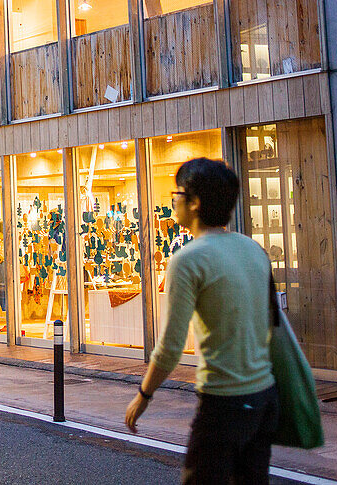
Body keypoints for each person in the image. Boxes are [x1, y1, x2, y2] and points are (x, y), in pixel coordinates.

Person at [125, 158, 277, 484]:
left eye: (177, 193)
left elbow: (170, 347)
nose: (173, 200)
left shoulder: (187, 259)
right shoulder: (253, 249)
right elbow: (269, 324)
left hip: (223, 403)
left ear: (194, 203)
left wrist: (144, 395)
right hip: (264, 399)